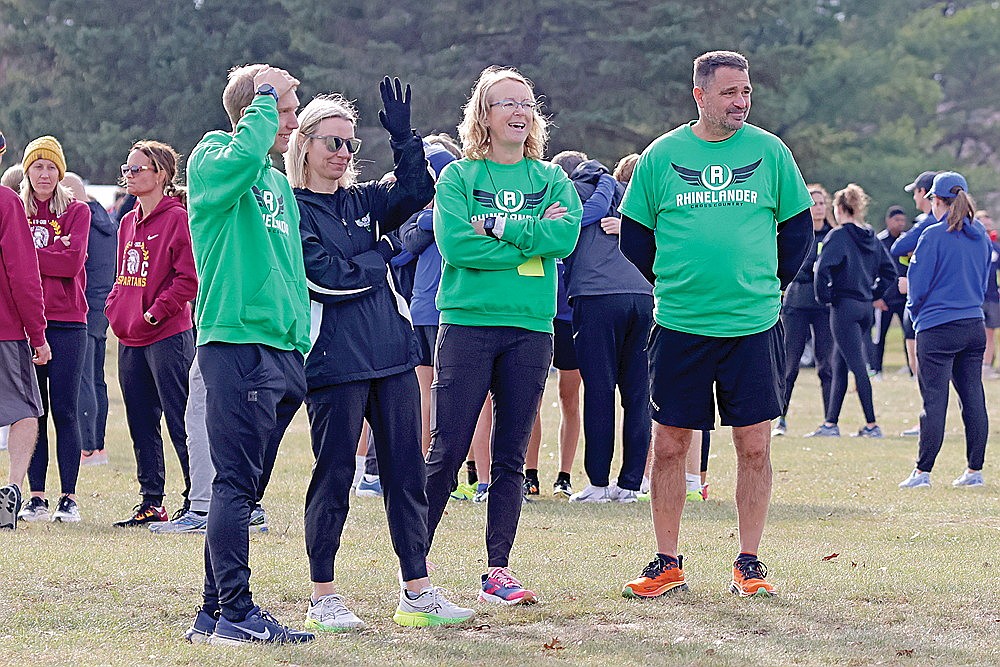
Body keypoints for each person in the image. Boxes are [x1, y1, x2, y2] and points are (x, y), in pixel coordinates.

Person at [618, 51, 813, 600]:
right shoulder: (663, 155)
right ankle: (666, 561)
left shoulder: (770, 152)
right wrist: (675, 279)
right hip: (680, 323)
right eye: (729, 92)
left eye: (746, 91)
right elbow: (634, 235)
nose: (741, 102)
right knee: (672, 443)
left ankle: (749, 562)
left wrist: (765, 284)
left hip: (752, 325)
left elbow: (798, 231)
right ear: (700, 95)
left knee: (753, 445)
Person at [289, 85, 473, 629]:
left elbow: (418, 189)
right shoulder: (295, 210)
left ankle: (417, 591)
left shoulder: (361, 199)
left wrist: (403, 138)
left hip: (391, 353)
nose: (343, 152)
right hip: (334, 361)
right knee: (334, 474)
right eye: (331, 142)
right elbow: (327, 276)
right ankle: (323, 597)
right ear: (304, 145)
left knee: (405, 472)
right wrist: (386, 253)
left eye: (349, 142)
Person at [423, 65, 581, 605]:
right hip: (467, 323)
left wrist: (497, 227)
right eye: (506, 103)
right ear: (483, 116)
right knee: (448, 449)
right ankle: (414, 566)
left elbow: (564, 237)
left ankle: (498, 569)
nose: (520, 111)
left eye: (527, 103)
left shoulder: (552, 179)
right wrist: (527, 244)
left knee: (511, 455)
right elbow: (456, 248)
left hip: (530, 329)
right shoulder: (459, 178)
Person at [183, 64, 314, 645]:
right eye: (286, 107)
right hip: (235, 341)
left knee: (245, 489)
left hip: (280, 347)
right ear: (258, 108)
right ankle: (238, 612)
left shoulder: (276, 181)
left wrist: (297, 337)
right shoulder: (214, 157)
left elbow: (289, 265)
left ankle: (213, 615)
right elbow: (237, 161)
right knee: (235, 485)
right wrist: (262, 103)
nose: (293, 119)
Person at [105, 141, 197, 527]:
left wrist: (155, 315)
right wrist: (116, 309)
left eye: (137, 169)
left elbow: (187, 279)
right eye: (127, 169)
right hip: (130, 337)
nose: (129, 175)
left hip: (167, 335)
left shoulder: (177, 218)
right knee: (141, 421)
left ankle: (198, 497)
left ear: (160, 174)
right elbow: (122, 277)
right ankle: (150, 500)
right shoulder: (127, 221)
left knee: (180, 419)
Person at [563, 157, 652, 504]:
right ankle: (630, 484)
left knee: (599, 391)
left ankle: (598, 484)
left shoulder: (576, 192)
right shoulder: (643, 198)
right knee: (636, 394)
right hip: (643, 295)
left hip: (596, 294)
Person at [898, 172, 991, 489]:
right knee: (973, 397)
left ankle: (923, 472)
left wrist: (914, 314)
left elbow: (918, 288)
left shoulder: (932, 235)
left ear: (936, 201)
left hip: (937, 328)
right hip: (973, 324)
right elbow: (982, 281)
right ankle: (974, 471)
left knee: (934, 401)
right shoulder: (980, 234)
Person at [17, 136, 91, 524]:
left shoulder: (77, 211)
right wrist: (49, 253)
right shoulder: (15, 210)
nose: (44, 173)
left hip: (67, 321)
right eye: (37, 166)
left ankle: (68, 497)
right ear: (26, 170)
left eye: (51, 167)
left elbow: (71, 262)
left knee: (64, 408)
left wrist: (26, 255)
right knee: (34, 411)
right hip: (26, 322)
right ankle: (36, 496)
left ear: (60, 172)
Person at [809, 184, 895, 438]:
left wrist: (826, 297)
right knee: (839, 362)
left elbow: (821, 270)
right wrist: (874, 294)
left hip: (844, 307)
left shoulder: (837, 236)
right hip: (865, 307)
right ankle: (830, 423)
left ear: (838, 208)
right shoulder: (870, 235)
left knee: (858, 366)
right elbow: (889, 273)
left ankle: (871, 425)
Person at [0, 130, 52, 531]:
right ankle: (13, 488)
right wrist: (37, 334)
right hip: (5, 330)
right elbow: (22, 273)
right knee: (25, 411)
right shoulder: (7, 203)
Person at [61, 173, 117, 467]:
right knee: (97, 379)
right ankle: (99, 446)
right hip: (103, 306)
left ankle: (87, 448)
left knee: (84, 379)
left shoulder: (84, 224)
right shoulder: (107, 223)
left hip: (86, 307)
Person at [772, 184, 835, 437]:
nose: (818, 208)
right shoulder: (798, 234)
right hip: (796, 305)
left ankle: (830, 421)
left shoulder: (833, 235)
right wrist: (814, 268)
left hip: (824, 307)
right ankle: (781, 419)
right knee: (789, 366)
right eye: (813, 203)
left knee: (826, 366)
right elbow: (791, 264)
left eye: (821, 203)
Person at [891, 170, 939, 437]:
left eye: (916, 193)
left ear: (924, 193)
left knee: (922, 366)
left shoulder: (926, 222)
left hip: (924, 305)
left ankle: (927, 420)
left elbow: (899, 247)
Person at [871, 205, 911, 378]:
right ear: (888, 221)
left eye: (903, 220)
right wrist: (876, 297)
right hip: (884, 299)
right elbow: (872, 270)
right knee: (880, 337)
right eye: (897, 220)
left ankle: (912, 370)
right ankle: (876, 369)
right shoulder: (879, 242)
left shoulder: (907, 242)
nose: (900, 223)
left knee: (909, 335)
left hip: (903, 298)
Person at [976, 210, 1000, 379]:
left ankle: (987, 365)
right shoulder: (973, 244)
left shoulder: (996, 247)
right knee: (977, 332)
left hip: (992, 296)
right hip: (977, 296)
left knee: (990, 332)